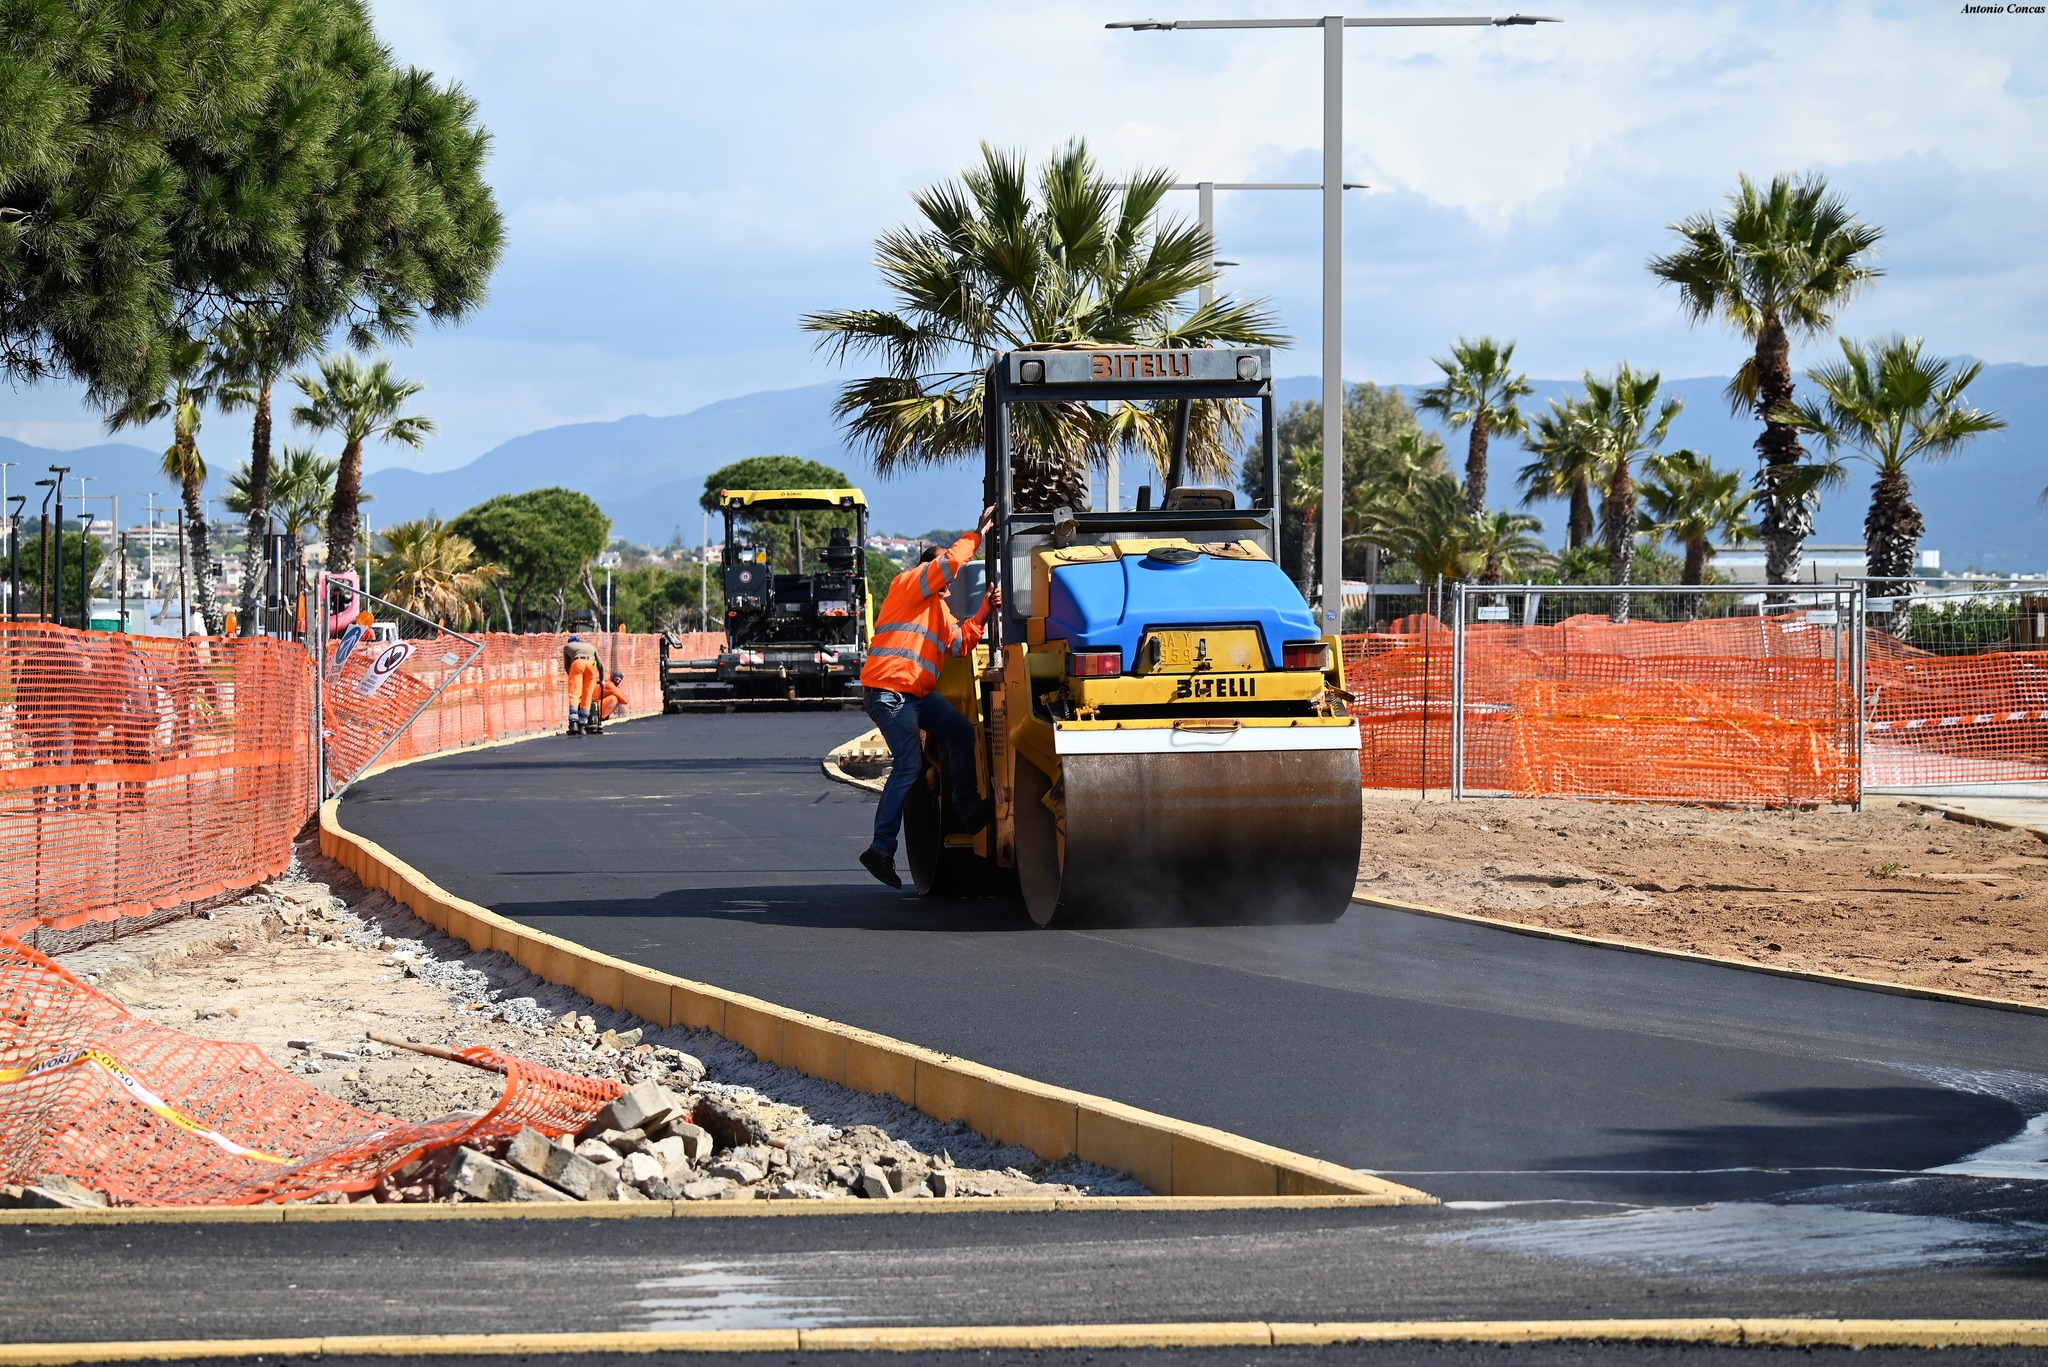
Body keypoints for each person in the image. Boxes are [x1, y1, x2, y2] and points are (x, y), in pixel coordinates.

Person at [856, 505, 1002, 889]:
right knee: (909, 766)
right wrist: (978, 533)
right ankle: (880, 850)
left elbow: (959, 645)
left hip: (916, 696)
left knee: (960, 732)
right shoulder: (908, 583)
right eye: (943, 574)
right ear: (928, 570)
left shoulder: (938, 609)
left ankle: (969, 810)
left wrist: (986, 609)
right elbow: (952, 561)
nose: (951, 583)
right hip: (889, 694)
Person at [561, 634, 601, 735]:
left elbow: (567, 665)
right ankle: (583, 724)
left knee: (574, 693)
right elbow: (600, 665)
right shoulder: (590, 646)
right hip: (592, 665)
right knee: (587, 695)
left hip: (577, 663)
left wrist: (572, 677)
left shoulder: (567, 647)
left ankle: (573, 722)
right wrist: (602, 679)